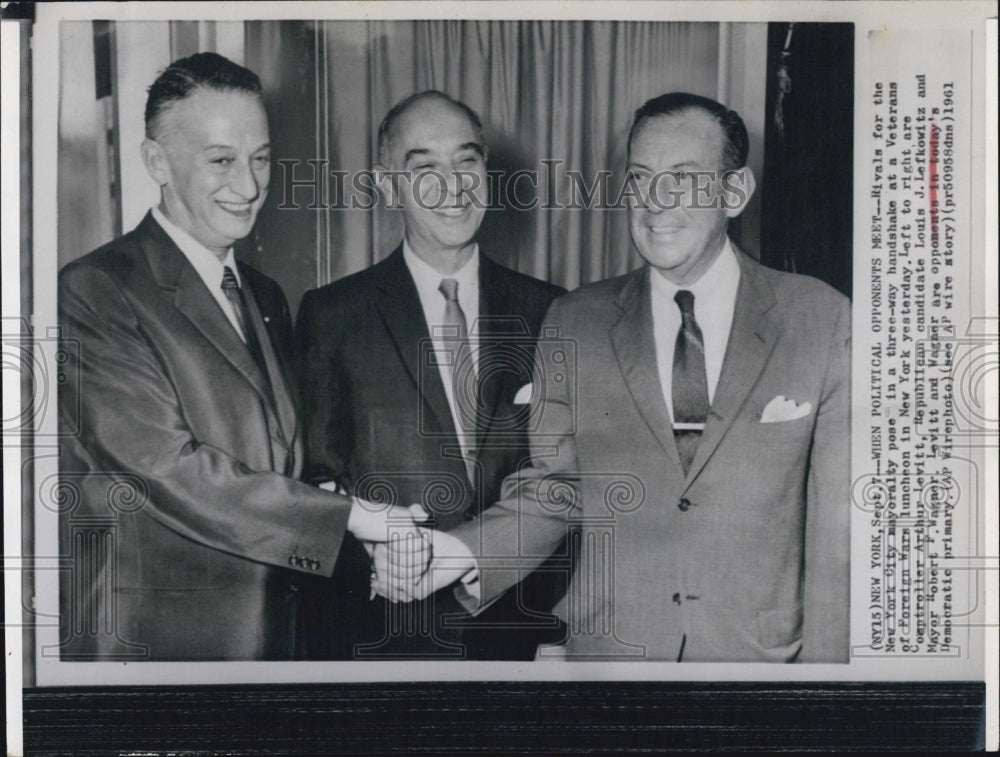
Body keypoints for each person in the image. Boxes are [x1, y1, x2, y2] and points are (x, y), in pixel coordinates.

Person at [403, 91, 851, 663]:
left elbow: (839, 535)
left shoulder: (820, 318)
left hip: (758, 665)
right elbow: (558, 487)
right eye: (640, 179)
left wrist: (826, 689)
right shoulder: (575, 320)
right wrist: (455, 554)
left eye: (683, 179)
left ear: (734, 192)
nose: (656, 203)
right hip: (612, 662)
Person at [57, 52, 420, 661]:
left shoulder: (266, 295)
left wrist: (365, 549)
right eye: (221, 160)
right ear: (157, 162)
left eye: (261, 159)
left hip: (273, 642)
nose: (249, 187)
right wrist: (353, 518)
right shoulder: (97, 288)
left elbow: (280, 468)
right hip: (157, 650)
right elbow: (165, 469)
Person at [295, 90, 567, 659]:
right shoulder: (332, 316)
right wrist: (375, 557)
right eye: (424, 169)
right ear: (387, 184)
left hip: (521, 630)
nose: (453, 185)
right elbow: (314, 480)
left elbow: (565, 479)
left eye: (467, 161)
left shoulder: (550, 310)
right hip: (385, 633)